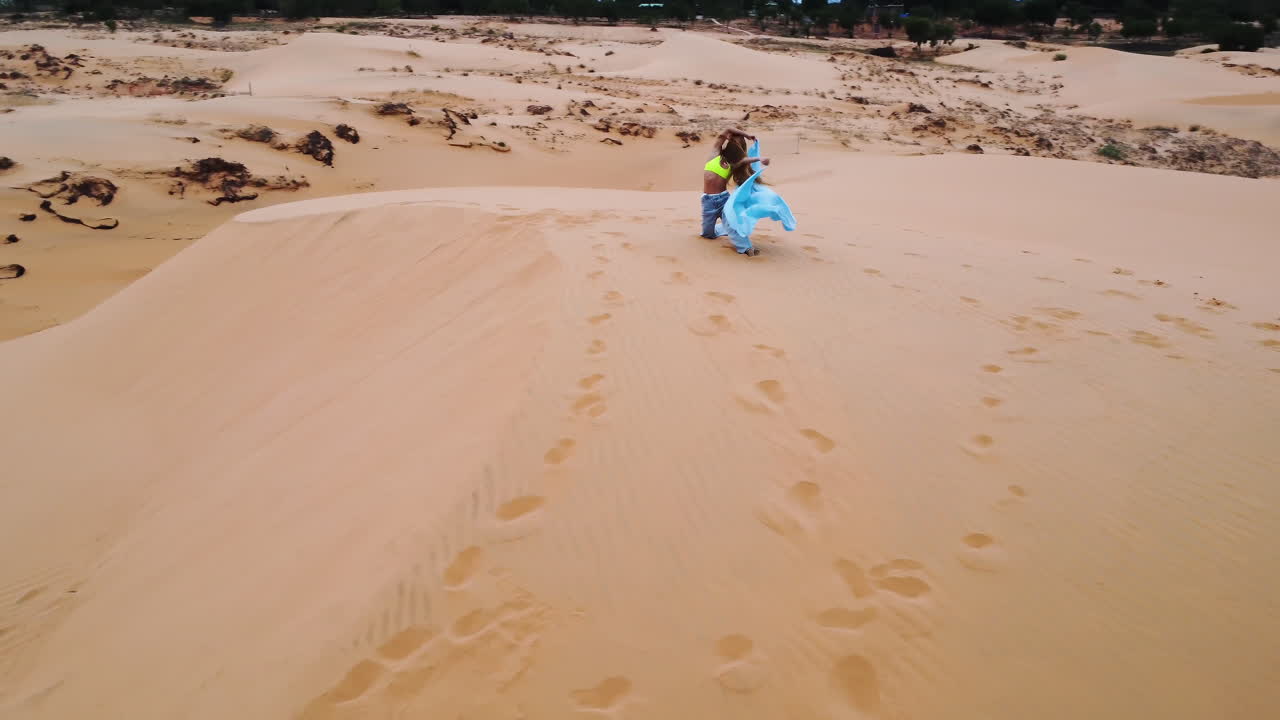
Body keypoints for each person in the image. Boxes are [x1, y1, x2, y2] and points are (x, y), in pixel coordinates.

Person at [701, 128, 770, 256]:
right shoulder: (715, 153)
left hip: (723, 200)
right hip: (708, 201)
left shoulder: (733, 164)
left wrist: (760, 159)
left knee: (731, 223)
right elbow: (726, 130)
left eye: (737, 144)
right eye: (733, 142)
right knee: (707, 234)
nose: (734, 146)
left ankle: (746, 248)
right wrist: (747, 135)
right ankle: (724, 227)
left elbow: (745, 161)